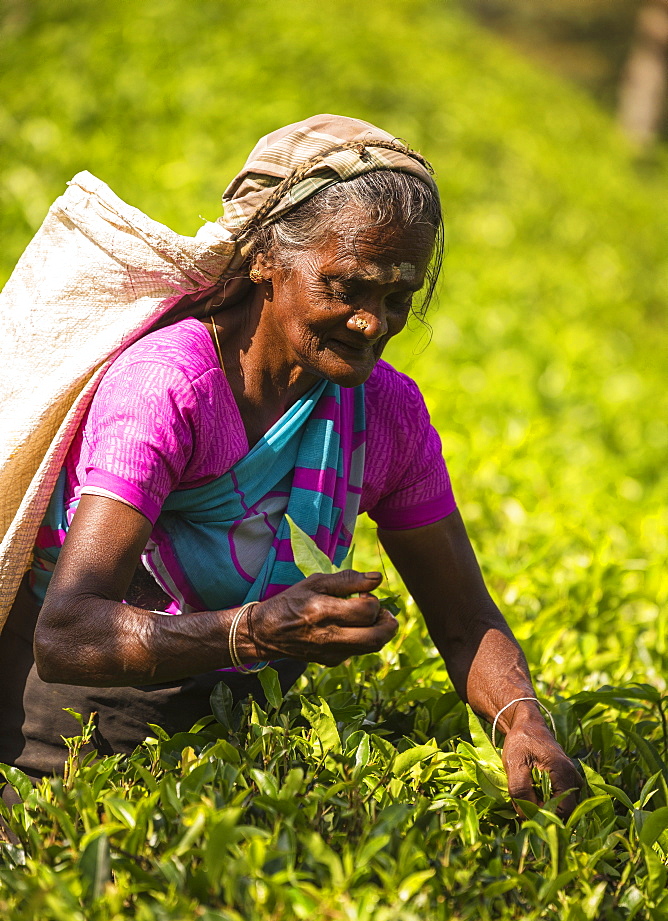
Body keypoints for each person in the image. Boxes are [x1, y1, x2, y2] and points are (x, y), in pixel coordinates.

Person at [0, 114, 581, 814]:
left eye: (398, 298)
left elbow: (462, 618)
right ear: (264, 259)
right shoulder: (170, 386)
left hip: (247, 728)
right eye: (347, 288)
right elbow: (69, 633)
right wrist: (256, 630)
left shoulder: (386, 412)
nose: (375, 323)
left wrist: (524, 724)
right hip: (80, 723)